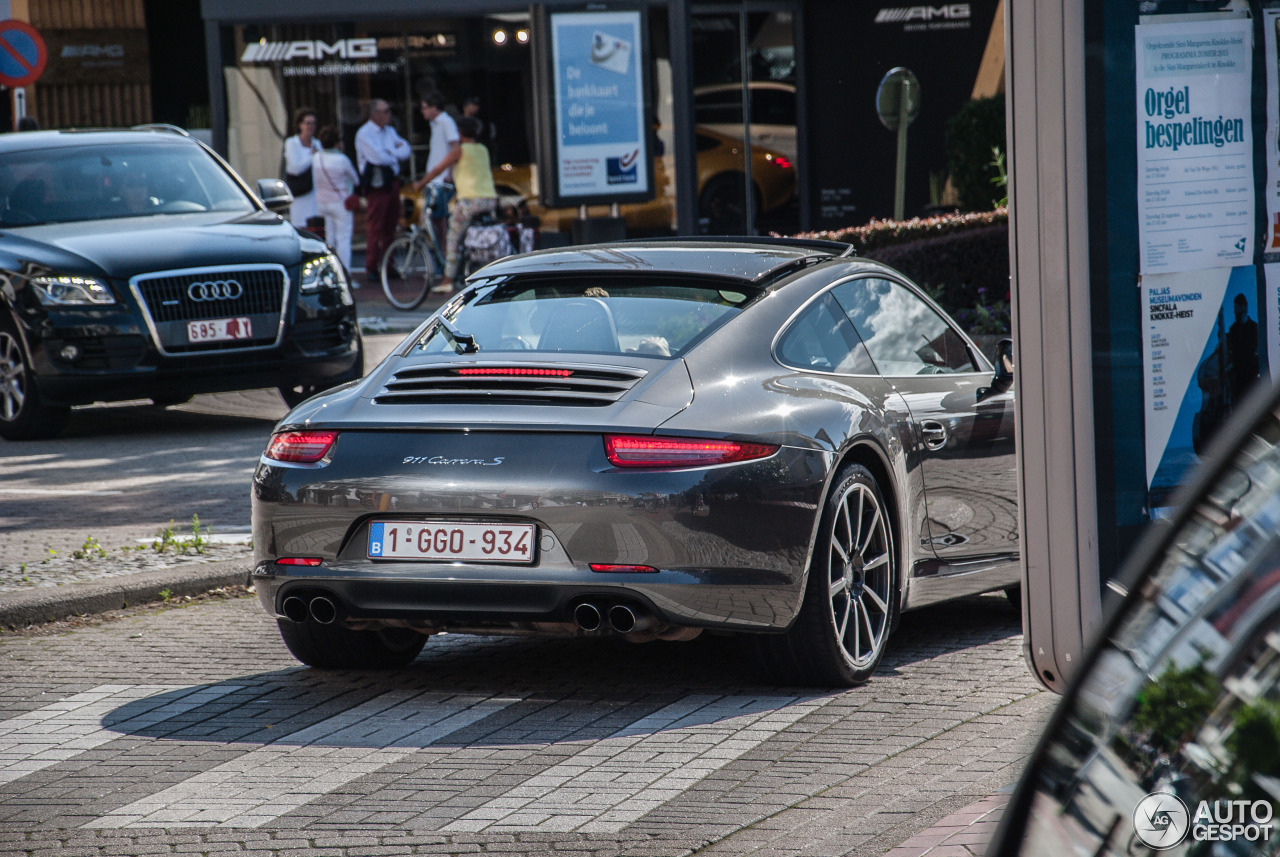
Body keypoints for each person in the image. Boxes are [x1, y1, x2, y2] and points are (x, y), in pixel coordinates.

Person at [422, 115, 496, 294]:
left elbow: (438, 169)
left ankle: (447, 279)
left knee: (453, 238)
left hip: (470, 201)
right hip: (490, 200)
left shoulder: (459, 150)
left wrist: (420, 183)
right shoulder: (482, 149)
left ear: (459, 132)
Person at [354, 99, 411, 281]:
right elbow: (377, 158)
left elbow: (405, 150)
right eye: (385, 111)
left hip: (391, 181)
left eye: (389, 111)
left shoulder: (390, 131)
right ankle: (371, 266)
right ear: (374, 114)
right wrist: (392, 153)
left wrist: (389, 153)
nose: (389, 114)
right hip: (377, 184)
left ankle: (389, 264)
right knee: (375, 226)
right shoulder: (364, 133)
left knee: (390, 225)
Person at [413, 90, 460, 251]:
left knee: (437, 221)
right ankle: (443, 257)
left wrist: (449, 174)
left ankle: (445, 258)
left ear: (435, 108)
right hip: (435, 180)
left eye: (425, 107)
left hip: (440, 181)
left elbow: (455, 148)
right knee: (435, 221)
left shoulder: (445, 122)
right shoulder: (436, 124)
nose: (422, 111)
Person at [311, 125, 361, 278]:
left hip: (323, 204)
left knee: (329, 239)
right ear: (336, 142)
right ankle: (344, 276)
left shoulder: (316, 158)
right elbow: (355, 179)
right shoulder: (342, 159)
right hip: (340, 204)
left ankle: (330, 274)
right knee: (343, 240)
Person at [282, 107, 321, 229]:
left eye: (313, 123)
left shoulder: (317, 143)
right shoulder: (291, 143)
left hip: (315, 193)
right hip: (300, 191)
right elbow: (294, 168)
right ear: (300, 125)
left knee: (315, 226)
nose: (311, 127)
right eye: (308, 123)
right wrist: (311, 156)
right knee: (300, 226)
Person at [1226, 292, 1259, 409]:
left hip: (1252, 381)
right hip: (1238, 383)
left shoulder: (1255, 328)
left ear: (1243, 307)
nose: (1234, 311)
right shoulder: (1233, 330)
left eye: (1236, 308)